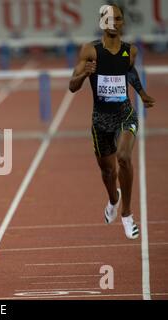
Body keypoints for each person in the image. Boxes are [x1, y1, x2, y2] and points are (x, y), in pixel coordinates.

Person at [69, 5, 155, 239]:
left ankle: (127, 214)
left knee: (124, 158)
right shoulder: (91, 51)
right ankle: (113, 200)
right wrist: (84, 74)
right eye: (109, 18)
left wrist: (142, 94)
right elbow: (71, 86)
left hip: (125, 114)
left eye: (118, 18)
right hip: (101, 120)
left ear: (123, 22)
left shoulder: (130, 51)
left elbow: (129, 72)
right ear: (102, 22)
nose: (114, 22)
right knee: (108, 172)